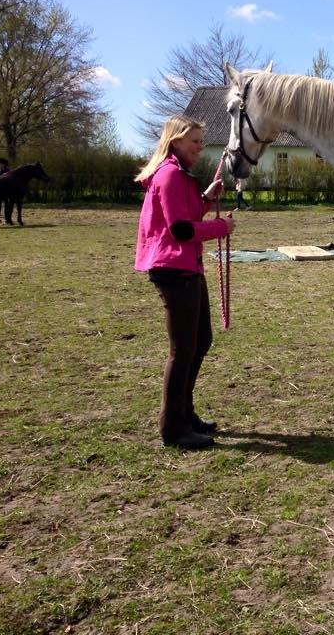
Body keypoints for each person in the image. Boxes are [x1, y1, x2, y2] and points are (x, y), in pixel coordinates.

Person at [134, 115, 235, 450]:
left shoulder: (175, 174)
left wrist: (205, 199)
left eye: (201, 141)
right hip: (174, 267)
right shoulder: (170, 175)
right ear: (175, 140)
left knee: (200, 341)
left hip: (186, 266)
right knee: (183, 350)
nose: (200, 147)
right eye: (195, 141)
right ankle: (174, 427)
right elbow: (180, 229)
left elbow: (185, 215)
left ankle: (185, 413)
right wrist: (221, 228)